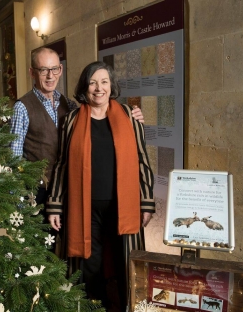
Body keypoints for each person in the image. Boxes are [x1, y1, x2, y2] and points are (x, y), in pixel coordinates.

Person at [46, 61, 155, 311]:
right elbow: (62, 164)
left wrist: (146, 203)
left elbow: (142, 160)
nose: (99, 88)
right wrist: (54, 205)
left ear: (111, 86)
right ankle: (91, 306)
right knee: (88, 265)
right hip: (84, 208)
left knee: (125, 262)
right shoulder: (72, 120)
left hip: (123, 205)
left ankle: (129, 307)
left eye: (104, 82)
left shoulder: (129, 116)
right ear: (85, 87)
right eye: (93, 82)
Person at [10, 47, 145, 206]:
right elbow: (13, 157)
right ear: (32, 73)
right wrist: (17, 200)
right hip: (37, 192)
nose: (50, 76)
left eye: (54, 69)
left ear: (60, 70)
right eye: (43, 70)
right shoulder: (22, 107)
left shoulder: (70, 105)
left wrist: (128, 115)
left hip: (68, 189)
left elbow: (98, 112)